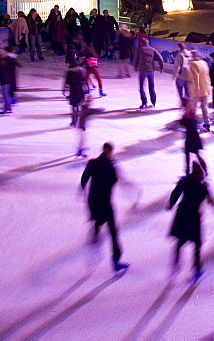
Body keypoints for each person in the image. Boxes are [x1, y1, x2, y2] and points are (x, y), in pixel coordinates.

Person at [81, 143, 130, 273]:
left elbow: (85, 177)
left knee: (97, 221)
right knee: (113, 232)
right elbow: (113, 181)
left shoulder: (93, 163)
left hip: (93, 200)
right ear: (110, 151)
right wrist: (112, 168)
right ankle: (116, 261)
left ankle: (95, 240)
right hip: (105, 202)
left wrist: (82, 188)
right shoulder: (110, 167)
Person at [168, 160, 214, 281]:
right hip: (194, 216)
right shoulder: (202, 186)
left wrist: (171, 204)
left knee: (180, 241)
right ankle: (197, 269)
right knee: (197, 244)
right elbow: (209, 200)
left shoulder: (185, 182)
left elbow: (175, 193)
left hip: (183, 214)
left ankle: (176, 264)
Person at [133, 38, 165, 109]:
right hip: (150, 70)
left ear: (142, 43)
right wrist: (161, 67)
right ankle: (153, 102)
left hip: (142, 70)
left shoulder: (139, 50)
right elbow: (160, 58)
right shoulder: (152, 50)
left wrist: (135, 67)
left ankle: (144, 103)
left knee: (141, 87)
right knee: (151, 87)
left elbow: (135, 59)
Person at [0, 47, 19, 114]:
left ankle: (7, 108)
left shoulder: (1, 61)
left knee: (5, 95)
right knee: (5, 94)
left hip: (5, 81)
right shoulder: (1, 61)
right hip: (5, 80)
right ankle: (8, 108)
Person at [187, 51, 212, 131]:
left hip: (196, 90)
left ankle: (193, 124)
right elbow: (207, 75)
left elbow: (195, 76)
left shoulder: (193, 64)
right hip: (205, 88)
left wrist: (197, 88)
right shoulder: (204, 63)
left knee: (193, 108)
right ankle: (207, 123)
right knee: (205, 107)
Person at [64, 57, 88, 128]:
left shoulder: (70, 72)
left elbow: (66, 82)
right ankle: (77, 120)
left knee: (74, 107)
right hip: (79, 90)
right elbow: (83, 81)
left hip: (73, 90)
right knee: (78, 105)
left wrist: (64, 89)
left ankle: (74, 121)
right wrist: (86, 89)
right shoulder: (80, 71)